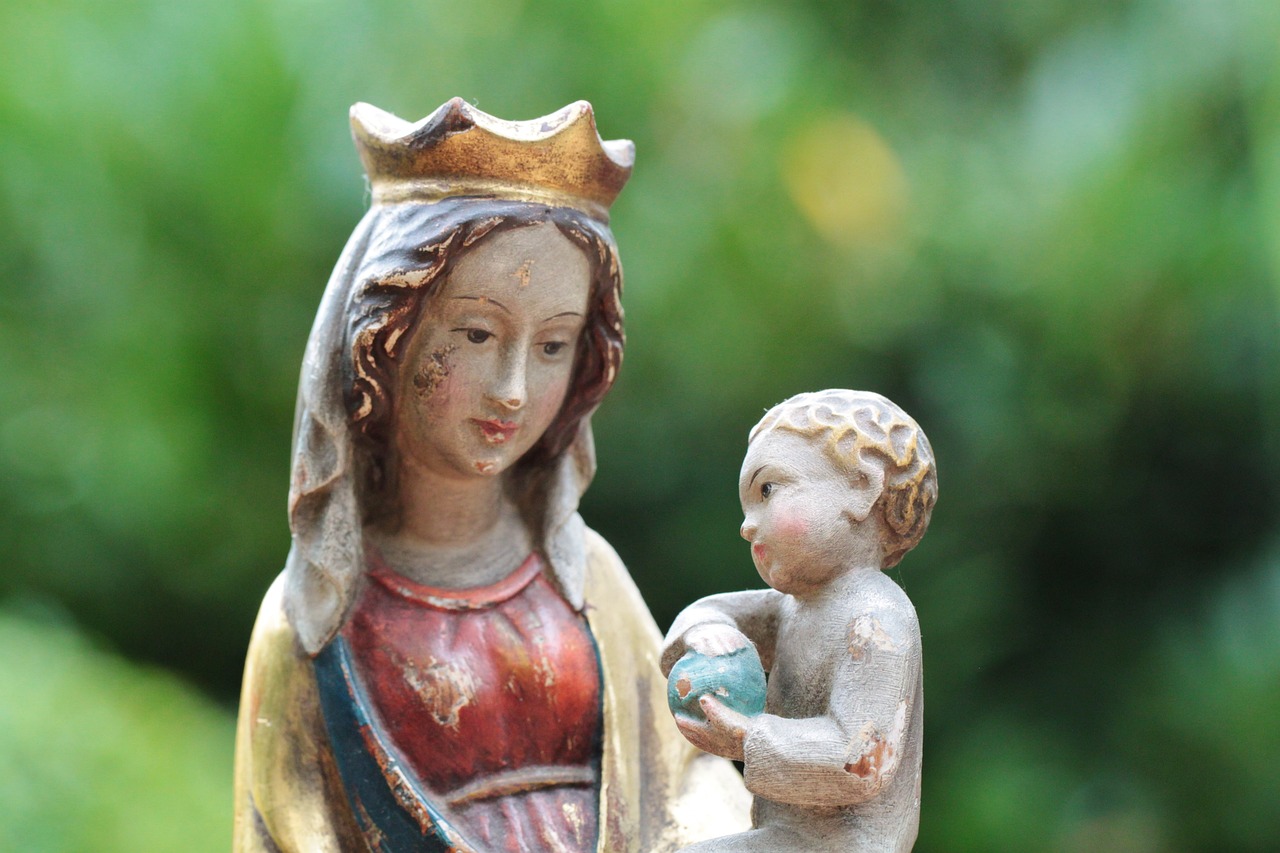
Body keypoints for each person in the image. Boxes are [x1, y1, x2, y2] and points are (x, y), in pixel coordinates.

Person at [233, 98, 748, 853]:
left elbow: (688, 782)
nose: (513, 389)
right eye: (477, 334)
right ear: (384, 340)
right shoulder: (312, 621)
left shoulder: (589, 581)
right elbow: (287, 833)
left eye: (553, 345)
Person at [661, 390, 937, 853]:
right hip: (786, 836)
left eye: (767, 490)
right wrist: (707, 631)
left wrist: (748, 738)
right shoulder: (792, 605)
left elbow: (859, 759)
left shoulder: (876, 617)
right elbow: (712, 609)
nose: (747, 526)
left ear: (862, 488)